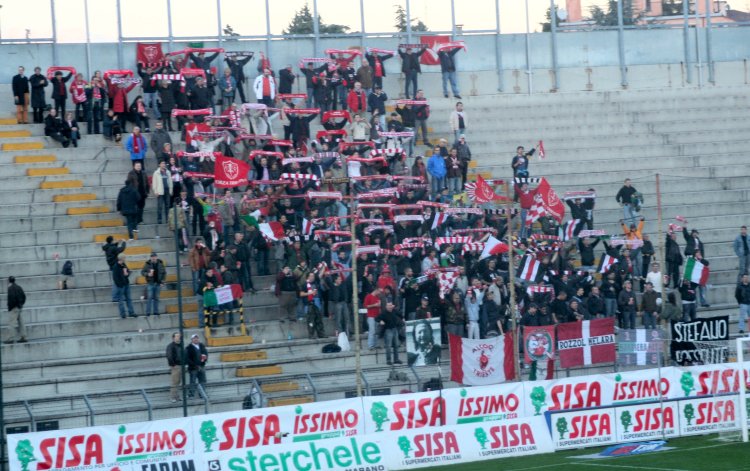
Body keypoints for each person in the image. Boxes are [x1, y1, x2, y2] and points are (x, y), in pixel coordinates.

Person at [377, 301, 403, 365]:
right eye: (388, 305)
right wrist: (380, 321)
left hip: (395, 329)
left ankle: (396, 359)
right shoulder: (383, 313)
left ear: (392, 306)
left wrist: (403, 318)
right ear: (386, 306)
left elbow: (400, 314)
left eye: (390, 305)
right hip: (388, 330)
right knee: (388, 346)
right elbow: (376, 318)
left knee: (396, 345)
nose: (390, 307)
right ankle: (388, 360)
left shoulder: (394, 311)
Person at [142, 252, 166, 317]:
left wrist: (162, 282)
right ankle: (148, 312)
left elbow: (164, 273)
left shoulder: (160, 263)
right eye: (152, 257)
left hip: (158, 283)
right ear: (150, 258)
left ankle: (156, 311)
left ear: (156, 257)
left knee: (156, 298)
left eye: (154, 257)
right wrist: (148, 274)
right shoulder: (147, 264)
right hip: (150, 283)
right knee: (149, 297)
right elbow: (142, 272)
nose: (153, 258)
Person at [185, 333, 208, 398]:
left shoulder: (201, 346)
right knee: (192, 381)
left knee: (202, 381)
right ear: (191, 339)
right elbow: (187, 358)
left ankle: (202, 394)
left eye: (197, 338)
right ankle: (191, 394)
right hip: (193, 368)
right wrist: (194, 365)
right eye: (194, 338)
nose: (196, 339)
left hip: (201, 366)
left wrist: (204, 361)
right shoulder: (188, 348)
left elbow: (205, 354)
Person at [5, 276, 27, 344]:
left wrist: (10, 307)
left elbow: (11, 299)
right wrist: (20, 304)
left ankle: (10, 338)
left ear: (9, 281)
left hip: (14, 308)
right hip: (19, 307)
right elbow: (24, 296)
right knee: (21, 323)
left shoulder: (10, 288)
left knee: (11, 323)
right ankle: (24, 337)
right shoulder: (19, 287)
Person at [151, 161, 173, 225]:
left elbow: (170, 182)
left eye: (164, 163)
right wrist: (155, 191)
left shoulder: (168, 172)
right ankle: (159, 219)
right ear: (159, 165)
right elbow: (154, 183)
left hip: (167, 191)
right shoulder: (156, 173)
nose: (164, 165)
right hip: (160, 191)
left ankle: (167, 220)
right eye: (162, 163)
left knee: (167, 206)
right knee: (160, 206)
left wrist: (171, 190)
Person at [166, 332, 183, 403]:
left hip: (180, 365)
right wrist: (173, 364)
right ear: (173, 338)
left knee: (178, 382)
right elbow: (169, 356)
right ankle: (173, 397)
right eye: (177, 336)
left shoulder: (180, 345)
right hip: (176, 366)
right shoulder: (171, 346)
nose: (178, 337)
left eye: (179, 336)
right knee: (174, 382)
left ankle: (177, 396)